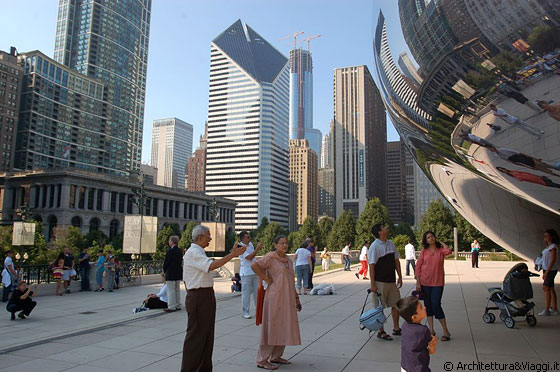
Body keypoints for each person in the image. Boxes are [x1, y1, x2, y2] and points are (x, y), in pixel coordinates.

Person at [181, 225, 246, 372]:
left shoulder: (199, 252)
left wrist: (232, 253)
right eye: (208, 235)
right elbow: (212, 266)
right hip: (199, 296)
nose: (210, 238)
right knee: (196, 337)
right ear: (200, 237)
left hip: (204, 295)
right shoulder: (193, 252)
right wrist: (233, 254)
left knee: (207, 336)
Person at [251, 235, 302, 370]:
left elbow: (291, 281)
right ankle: (262, 360)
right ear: (275, 245)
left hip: (287, 298)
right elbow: (254, 265)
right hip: (274, 298)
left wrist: (296, 298)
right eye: (281, 243)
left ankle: (276, 356)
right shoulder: (271, 257)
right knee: (271, 328)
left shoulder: (288, 261)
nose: (285, 245)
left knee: (283, 326)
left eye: (286, 243)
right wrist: (265, 279)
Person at [368, 224, 403, 341]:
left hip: (391, 280)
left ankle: (396, 328)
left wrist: (400, 276)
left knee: (396, 304)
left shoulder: (391, 244)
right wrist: (373, 284)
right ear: (379, 232)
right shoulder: (374, 246)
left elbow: (396, 261)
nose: (387, 227)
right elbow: (371, 266)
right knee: (379, 307)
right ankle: (381, 331)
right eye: (383, 227)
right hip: (380, 282)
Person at [416, 231, 452, 341]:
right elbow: (418, 267)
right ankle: (431, 330)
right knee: (428, 306)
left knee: (436, 304)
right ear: (425, 240)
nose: (431, 238)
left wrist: (443, 244)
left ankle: (446, 331)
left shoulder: (440, 250)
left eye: (432, 236)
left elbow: (448, 252)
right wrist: (418, 282)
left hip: (438, 282)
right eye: (428, 237)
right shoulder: (424, 251)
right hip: (425, 282)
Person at [397, 296, 437, 372]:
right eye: (421, 308)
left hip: (405, 366)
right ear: (414, 317)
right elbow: (431, 351)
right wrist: (434, 342)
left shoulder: (405, 326)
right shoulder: (423, 331)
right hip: (419, 368)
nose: (424, 308)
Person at [238, 231, 262, 319]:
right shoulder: (240, 247)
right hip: (246, 272)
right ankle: (245, 312)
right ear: (243, 239)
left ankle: (258, 310)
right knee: (246, 293)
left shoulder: (250, 244)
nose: (249, 238)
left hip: (254, 271)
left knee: (257, 292)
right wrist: (257, 249)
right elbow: (249, 257)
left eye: (249, 237)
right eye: (247, 237)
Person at [539, 229, 559, 316]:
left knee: (546, 288)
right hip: (547, 269)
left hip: (550, 270)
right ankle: (554, 308)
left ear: (551, 237)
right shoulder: (548, 247)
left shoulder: (553, 247)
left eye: (546, 236)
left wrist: (547, 272)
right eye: (544, 236)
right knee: (551, 289)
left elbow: (553, 260)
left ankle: (547, 309)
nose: (545, 238)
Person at [163, 235, 183, 313]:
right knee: (177, 289)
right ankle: (178, 304)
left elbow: (167, 262)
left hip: (171, 273)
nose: (169, 242)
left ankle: (171, 306)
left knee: (170, 290)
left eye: (169, 241)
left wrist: (164, 270)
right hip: (178, 273)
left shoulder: (170, 251)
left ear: (172, 242)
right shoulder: (179, 251)